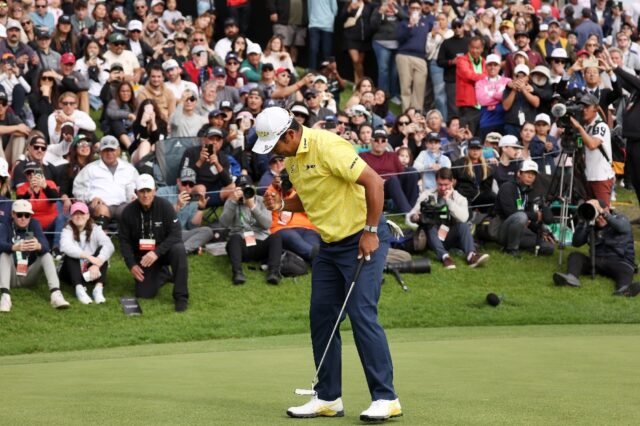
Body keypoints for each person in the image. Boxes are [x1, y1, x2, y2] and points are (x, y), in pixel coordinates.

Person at [253, 107, 401, 421]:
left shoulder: (327, 146)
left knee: (360, 312)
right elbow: (310, 198)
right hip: (330, 246)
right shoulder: (292, 159)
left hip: (363, 237)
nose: (275, 153)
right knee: (321, 317)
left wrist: (371, 231)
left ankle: (386, 398)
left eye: (275, 145)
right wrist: (283, 204)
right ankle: (328, 397)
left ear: (290, 134)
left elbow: (375, 183)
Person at [119, 174, 188, 312]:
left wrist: (156, 252)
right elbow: (124, 241)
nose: (145, 195)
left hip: (163, 251)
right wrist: (131, 264)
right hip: (144, 257)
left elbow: (176, 234)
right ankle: (163, 274)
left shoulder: (165, 206)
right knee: (144, 294)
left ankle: (181, 297)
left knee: (179, 249)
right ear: (136, 192)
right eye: (142, 191)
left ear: (154, 191)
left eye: (148, 191)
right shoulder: (127, 212)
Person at [406, 167, 489, 269]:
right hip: (431, 234)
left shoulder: (460, 198)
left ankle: (471, 256)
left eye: (446, 185)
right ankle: (445, 257)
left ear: (452, 182)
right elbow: (410, 217)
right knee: (430, 225)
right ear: (436, 182)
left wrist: (448, 201)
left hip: (449, 234)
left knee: (462, 226)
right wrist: (415, 217)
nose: (443, 188)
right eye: (440, 184)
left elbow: (464, 218)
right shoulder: (427, 195)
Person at [553, 199, 638, 296]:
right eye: (597, 216)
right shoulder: (591, 224)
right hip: (597, 261)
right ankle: (571, 278)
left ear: (607, 210)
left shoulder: (621, 219)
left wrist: (603, 213)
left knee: (626, 269)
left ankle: (624, 289)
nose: (599, 218)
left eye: (601, 214)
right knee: (575, 256)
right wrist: (583, 221)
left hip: (619, 261)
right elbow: (576, 243)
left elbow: (622, 227)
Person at [0, 199, 70, 313]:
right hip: (10, 275)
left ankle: (55, 294)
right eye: (19, 214)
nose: (23, 218)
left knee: (46, 255)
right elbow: (0, 243)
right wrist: (13, 247)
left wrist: (38, 246)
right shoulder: (5, 225)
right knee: (4, 254)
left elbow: (46, 246)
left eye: (27, 215)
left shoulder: (34, 224)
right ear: (13, 214)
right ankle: (5, 296)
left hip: (29, 273)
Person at [219, 175, 283, 285]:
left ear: (253, 188)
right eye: (242, 189)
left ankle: (273, 272)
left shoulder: (262, 200)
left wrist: (253, 206)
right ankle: (237, 273)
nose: (245, 192)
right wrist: (233, 202)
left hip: (261, 242)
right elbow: (223, 223)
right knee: (234, 238)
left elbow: (267, 224)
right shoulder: (232, 201)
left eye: (247, 188)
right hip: (241, 245)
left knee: (276, 237)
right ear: (237, 190)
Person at [492, 160, 554, 257]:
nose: (530, 176)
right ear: (519, 173)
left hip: (519, 229)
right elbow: (511, 213)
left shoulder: (526, 191)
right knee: (521, 216)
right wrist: (535, 216)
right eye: (527, 173)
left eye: (533, 174)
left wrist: (541, 231)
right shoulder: (507, 187)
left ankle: (520, 245)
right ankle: (511, 249)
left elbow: (528, 218)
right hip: (501, 228)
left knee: (548, 247)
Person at [73, 136, 139, 225]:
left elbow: (139, 187)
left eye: (112, 150)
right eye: (106, 150)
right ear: (100, 152)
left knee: (130, 210)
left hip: (124, 205)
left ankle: (127, 238)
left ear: (119, 150)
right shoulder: (90, 168)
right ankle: (102, 236)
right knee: (101, 210)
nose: (109, 153)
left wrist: (135, 197)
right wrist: (91, 198)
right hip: (101, 206)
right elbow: (78, 190)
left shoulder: (130, 169)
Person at [59, 201, 114, 305]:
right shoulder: (67, 230)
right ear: (71, 217)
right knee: (71, 255)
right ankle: (79, 289)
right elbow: (65, 246)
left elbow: (109, 245)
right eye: (75, 213)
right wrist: (88, 257)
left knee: (103, 253)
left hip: (90, 271)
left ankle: (98, 289)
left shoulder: (96, 229)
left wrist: (97, 264)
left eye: (82, 213)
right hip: (69, 272)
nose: (79, 216)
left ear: (88, 215)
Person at [567, 93, 615, 206]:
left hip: (601, 177)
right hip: (587, 176)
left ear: (595, 109)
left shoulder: (601, 126)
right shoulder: (586, 126)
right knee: (589, 213)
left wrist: (578, 127)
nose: (584, 110)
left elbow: (592, 144)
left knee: (603, 214)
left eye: (587, 107)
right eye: (582, 107)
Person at [156, 167, 214, 255]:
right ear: (178, 181)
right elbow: (156, 215)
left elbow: (193, 227)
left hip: (180, 234)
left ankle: (182, 250)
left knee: (208, 231)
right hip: (162, 232)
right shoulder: (163, 192)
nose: (187, 187)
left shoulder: (194, 199)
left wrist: (200, 209)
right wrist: (177, 206)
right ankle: (182, 249)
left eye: (191, 184)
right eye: (184, 183)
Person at [360, 128, 419, 214]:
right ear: (371, 141)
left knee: (411, 172)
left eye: (383, 140)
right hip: (376, 186)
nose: (380, 143)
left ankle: (412, 209)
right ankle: (408, 213)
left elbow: (402, 173)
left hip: (395, 184)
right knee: (393, 180)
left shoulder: (392, 155)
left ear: (386, 142)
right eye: (376, 140)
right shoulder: (363, 156)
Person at [179, 126, 235, 208]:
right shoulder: (190, 152)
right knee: (201, 188)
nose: (214, 142)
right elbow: (184, 178)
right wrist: (200, 161)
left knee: (232, 187)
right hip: (193, 191)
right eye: (212, 139)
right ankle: (197, 212)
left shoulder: (223, 157)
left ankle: (227, 218)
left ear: (222, 142)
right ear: (204, 140)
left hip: (212, 193)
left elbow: (228, 182)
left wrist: (217, 164)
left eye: (218, 140)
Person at [395, 0, 430, 111]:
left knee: (419, 87)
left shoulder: (427, 22)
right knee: (405, 87)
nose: (415, 10)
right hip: (404, 55)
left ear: (421, 10)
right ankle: (406, 113)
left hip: (421, 57)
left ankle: (417, 113)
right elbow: (399, 38)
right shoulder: (403, 23)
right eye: (413, 8)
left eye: (417, 8)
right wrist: (410, 25)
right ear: (409, 9)